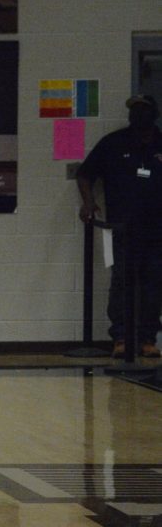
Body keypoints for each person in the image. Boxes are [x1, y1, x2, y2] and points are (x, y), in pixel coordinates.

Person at [77, 95, 162, 359]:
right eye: (133, 110)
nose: (137, 114)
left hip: (157, 230)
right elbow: (84, 174)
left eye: (142, 109)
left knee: (153, 284)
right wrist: (89, 202)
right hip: (121, 227)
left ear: (153, 113)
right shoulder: (113, 143)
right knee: (121, 281)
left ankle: (148, 339)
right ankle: (122, 338)